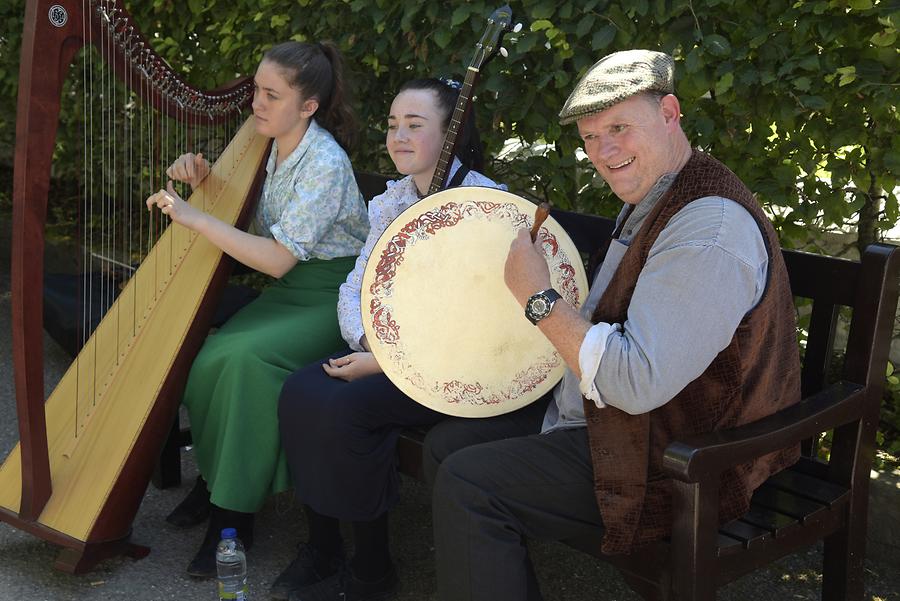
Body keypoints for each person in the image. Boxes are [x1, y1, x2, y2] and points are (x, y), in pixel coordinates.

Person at [423, 49, 802, 601]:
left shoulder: (708, 229)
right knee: (445, 445)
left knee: (469, 485)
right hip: (614, 424)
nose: (604, 152)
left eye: (619, 128)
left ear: (670, 113)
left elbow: (635, 382)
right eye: (590, 138)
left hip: (680, 461)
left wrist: (537, 298)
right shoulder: (660, 193)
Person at [273, 77, 504, 601]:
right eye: (393, 125)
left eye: (415, 126)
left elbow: (478, 325)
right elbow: (356, 285)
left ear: (450, 136)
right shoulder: (395, 199)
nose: (398, 136)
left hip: (462, 371)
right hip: (392, 355)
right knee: (301, 392)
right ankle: (324, 545)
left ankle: (373, 567)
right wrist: (368, 344)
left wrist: (383, 364)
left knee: (344, 409)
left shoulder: (483, 206)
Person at [145, 41, 369, 578]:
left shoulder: (325, 162)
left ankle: (232, 520)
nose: (257, 103)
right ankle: (217, 479)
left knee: (243, 360)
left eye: (271, 94)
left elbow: (274, 261)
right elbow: (251, 225)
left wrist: (196, 218)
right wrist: (203, 184)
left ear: (308, 106)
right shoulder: (266, 146)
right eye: (256, 90)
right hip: (293, 292)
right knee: (206, 358)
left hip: (331, 295)